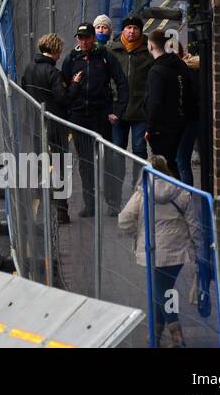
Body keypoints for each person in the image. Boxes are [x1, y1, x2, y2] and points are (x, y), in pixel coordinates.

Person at [118, 155, 203, 347]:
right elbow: (193, 225)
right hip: (177, 251)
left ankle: (176, 336)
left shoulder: (141, 194)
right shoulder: (181, 192)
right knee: (164, 291)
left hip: (152, 250)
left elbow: (124, 220)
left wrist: (137, 235)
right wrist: (197, 249)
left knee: (161, 291)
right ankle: (155, 335)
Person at [62, 23, 129, 216]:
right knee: (85, 163)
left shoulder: (106, 57)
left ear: (93, 38)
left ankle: (113, 203)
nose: (83, 41)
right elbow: (64, 89)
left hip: (102, 116)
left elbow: (122, 83)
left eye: (86, 38)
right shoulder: (71, 59)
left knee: (108, 161)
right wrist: (68, 113)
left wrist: (117, 110)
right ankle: (90, 205)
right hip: (79, 117)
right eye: (80, 38)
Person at [21, 33, 71, 223]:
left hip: (34, 121)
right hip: (55, 123)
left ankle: (37, 192)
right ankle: (61, 210)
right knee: (59, 164)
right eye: (59, 52)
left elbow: (24, 90)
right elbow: (62, 98)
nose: (59, 56)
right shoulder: (53, 73)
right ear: (55, 50)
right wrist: (73, 86)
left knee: (38, 158)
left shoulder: (29, 68)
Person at [145, 28, 191, 171]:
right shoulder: (179, 65)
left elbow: (155, 102)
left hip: (161, 128)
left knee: (164, 166)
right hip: (179, 122)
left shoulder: (156, 71)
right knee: (172, 163)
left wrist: (151, 129)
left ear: (150, 46)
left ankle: (172, 193)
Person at [113, 15, 151, 179]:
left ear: (141, 32)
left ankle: (138, 189)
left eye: (136, 28)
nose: (132, 32)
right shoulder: (111, 50)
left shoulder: (148, 51)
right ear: (123, 30)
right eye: (129, 28)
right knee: (116, 152)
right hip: (117, 110)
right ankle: (114, 195)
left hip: (140, 110)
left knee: (139, 150)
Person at [175, 45, 202, 185]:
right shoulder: (186, 67)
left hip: (187, 120)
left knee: (181, 160)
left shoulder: (188, 68)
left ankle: (185, 197)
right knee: (179, 160)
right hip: (184, 120)